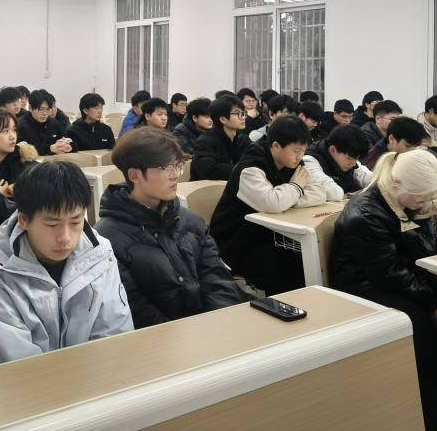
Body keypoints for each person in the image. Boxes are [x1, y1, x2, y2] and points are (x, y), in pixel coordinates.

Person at [329, 150, 437, 431]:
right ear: (397, 183)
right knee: (419, 330)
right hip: (365, 287)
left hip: (408, 279)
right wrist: (434, 307)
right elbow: (389, 273)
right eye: (421, 198)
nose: (426, 204)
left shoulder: (417, 203)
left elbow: (434, 252)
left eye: (429, 198)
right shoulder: (364, 213)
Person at [0, 162, 133, 367]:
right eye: (52, 224)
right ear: (24, 220)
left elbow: (115, 336)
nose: (65, 238)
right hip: (16, 382)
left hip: (92, 376)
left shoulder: (100, 253)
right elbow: (17, 365)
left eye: (75, 222)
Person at [97, 128, 242, 328]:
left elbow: (217, 279)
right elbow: (135, 309)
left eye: (177, 166)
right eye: (166, 168)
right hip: (160, 339)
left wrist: (220, 323)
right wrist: (187, 337)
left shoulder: (191, 220)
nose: (175, 176)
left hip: (212, 330)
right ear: (134, 175)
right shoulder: (106, 239)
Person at [210, 116, 328, 294]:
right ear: (276, 146)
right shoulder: (250, 168)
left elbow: (319, 193)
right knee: (290, 268)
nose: (300, 156)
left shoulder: (294, 163)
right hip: (237, 241)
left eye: (303, 150)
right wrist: (295, 188)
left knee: (310, 259)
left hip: (270, 235)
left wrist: (286, 199)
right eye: (296, 150)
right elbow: (272, 203)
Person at [190, 95, 250, 181]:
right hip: (207, 187)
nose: (243, 117)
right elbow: (210, 170)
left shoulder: (243, 139)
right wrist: (244, 170)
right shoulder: (205, 141)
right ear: (223, 119)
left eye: (243, 113)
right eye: (237, 113)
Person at [307, 123, 373, 197]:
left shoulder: (347, 155)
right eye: (349, 159)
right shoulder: (310, 160)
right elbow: (334, 193)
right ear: (333, 150)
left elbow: (372, 180)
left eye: (357, 159)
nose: (354, 164)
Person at [18, 89, 74, 155]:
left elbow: (69, 141)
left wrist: (68, 146)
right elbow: (21, 151)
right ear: (30, 108)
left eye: (47, 109)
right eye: (41, 109)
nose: (44, 113)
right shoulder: (20, 126)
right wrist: (49, 149)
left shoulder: (54, 123)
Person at [364, 116, 430, 170]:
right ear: (391, 139)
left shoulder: (405, 153)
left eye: (415, 147)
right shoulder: (374, 163)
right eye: (407, 146)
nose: (411, 151)